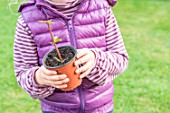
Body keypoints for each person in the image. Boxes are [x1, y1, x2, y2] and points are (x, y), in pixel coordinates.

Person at [14, 0, 128, 112]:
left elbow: (121, 59)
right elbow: (22, 73)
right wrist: (38, 77)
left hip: (100, 107)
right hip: (56, 109)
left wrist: (96, 60)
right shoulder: (28, 19)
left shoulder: (101, 8)